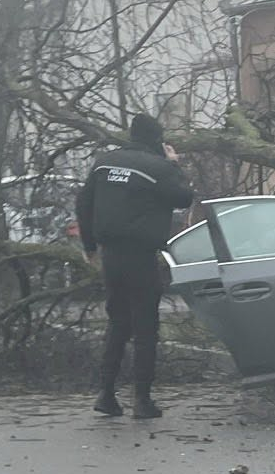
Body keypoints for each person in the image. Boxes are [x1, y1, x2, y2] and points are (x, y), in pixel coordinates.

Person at [75, 113, 196, 419]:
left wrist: (89, 246)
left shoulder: (105, 162)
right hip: (140, 255)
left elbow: (83, 203)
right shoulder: (158, 168)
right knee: (145, 327)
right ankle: (142, 400)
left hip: (110, 255)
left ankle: (106, 394)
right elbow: (183, 197)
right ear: (157, 138)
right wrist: (173, 163)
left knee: (118, 323)